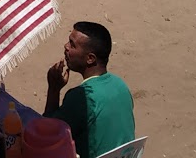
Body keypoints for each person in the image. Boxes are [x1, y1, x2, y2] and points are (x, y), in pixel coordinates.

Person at [44, 21, 136, 158]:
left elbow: (48, 135)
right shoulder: (120, 85)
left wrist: (53, 89)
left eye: (72, 45)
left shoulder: (82, 97)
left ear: (90, 59)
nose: (66, 47)